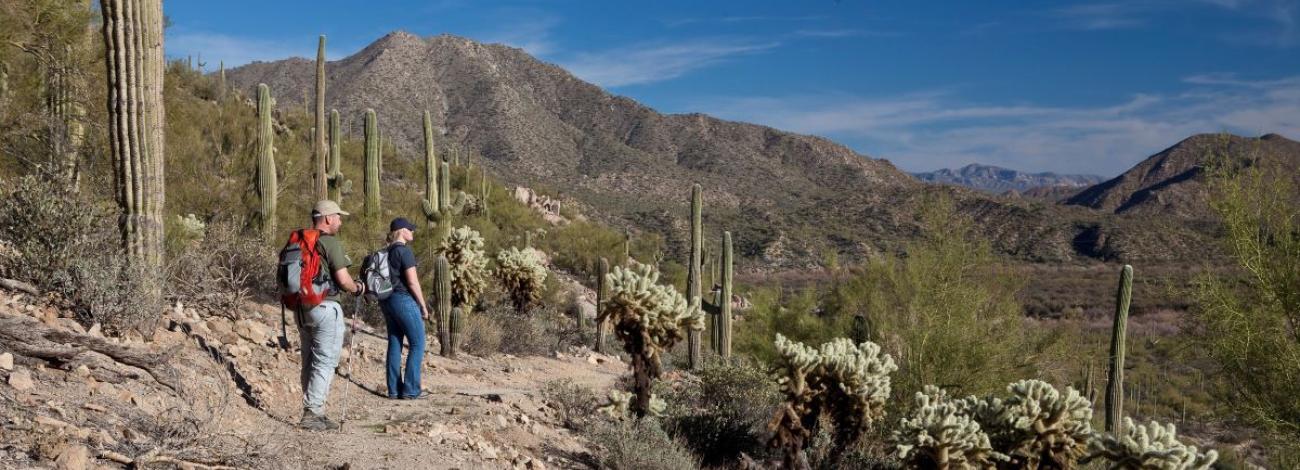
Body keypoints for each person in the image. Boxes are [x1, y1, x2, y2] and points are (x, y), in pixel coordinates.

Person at [298, 200, 365, 431]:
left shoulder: (300, 241)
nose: (340, 220)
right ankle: (313, 412)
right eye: (337, 216)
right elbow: (344, 280)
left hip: (301, 307)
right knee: (325, 360)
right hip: (325, 307)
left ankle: (314, 410)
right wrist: (358, 288)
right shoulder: (329, 242)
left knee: (308, 359)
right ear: (327, 218)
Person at [378, 217, 431, 399]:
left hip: (387, 301)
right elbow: (412, 281)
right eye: (410, 229)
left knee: (395, 343)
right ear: (401, 231)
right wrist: (423, 305)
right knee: (417, 343)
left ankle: (394, 390)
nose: (412, 232)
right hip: (403, 300)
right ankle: (411, 390)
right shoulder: (404, 252)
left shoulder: (386, 252)